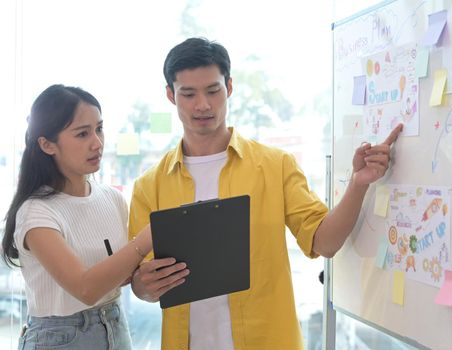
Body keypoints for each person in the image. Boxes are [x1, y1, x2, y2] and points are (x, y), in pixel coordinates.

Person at [128, 37, 403, 350]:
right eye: (188, 94)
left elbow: (324, 242)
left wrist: (359, 183)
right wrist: (145, 286)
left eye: (213, 90)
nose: (202, 105)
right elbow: (140, 284)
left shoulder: (276, 166)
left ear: (229, 87)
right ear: (170, 95)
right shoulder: (149, 185)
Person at [1, 84, 189, 350]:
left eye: (99, 128)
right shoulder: (35, 212)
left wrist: (146, 280)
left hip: (116, 327)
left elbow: (121, 276)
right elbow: (86, 289)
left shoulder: (112, 198)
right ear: (47, 144)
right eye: (82, 134)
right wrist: (148, 238)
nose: (97, 143)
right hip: (59, 339)